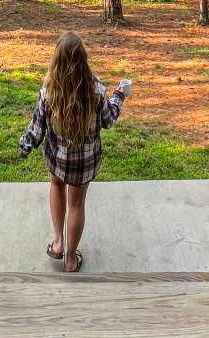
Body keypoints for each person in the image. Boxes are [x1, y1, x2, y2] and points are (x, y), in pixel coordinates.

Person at [18, 29, 129, 272]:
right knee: (77, 205)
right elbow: (108, 120)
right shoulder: (96, 89)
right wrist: (120, 95)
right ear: (83, 59)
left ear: (57, 60)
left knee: (56, 186)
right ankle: (70, 260)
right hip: (85, 162)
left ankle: (58, 243)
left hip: (57, 158)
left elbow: (37, 128)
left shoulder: (48, 91)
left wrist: (25, 146)